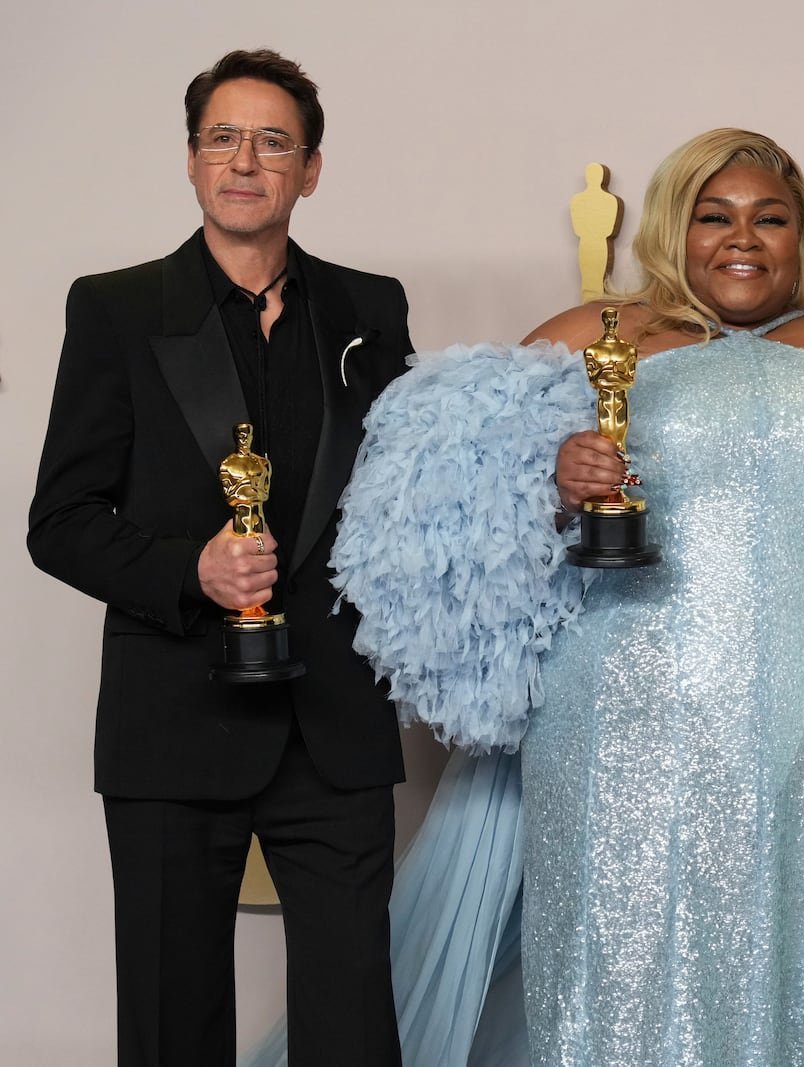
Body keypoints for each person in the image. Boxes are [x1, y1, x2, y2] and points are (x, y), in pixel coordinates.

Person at [328, 128, 804, 1066]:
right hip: (619, 707)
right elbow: (445, 512)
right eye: (714, 215)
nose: (743, 238)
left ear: (802, 236)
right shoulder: (595, 337)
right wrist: (550, 475)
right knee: (610, 966)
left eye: (771, 218)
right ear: (672, 227)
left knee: (789, 958)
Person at [27, 49, 413, 1065]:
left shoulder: (371, 309)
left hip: (334, 722)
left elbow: (408, 496)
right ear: (193, 161)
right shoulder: (114, 308)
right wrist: (187, 570)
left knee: (355, 1033)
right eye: (224, 138)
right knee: (171, 1024)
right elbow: (60, 517)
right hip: (173, 718)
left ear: (311, 169)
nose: (247, 159)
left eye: (274, 140)